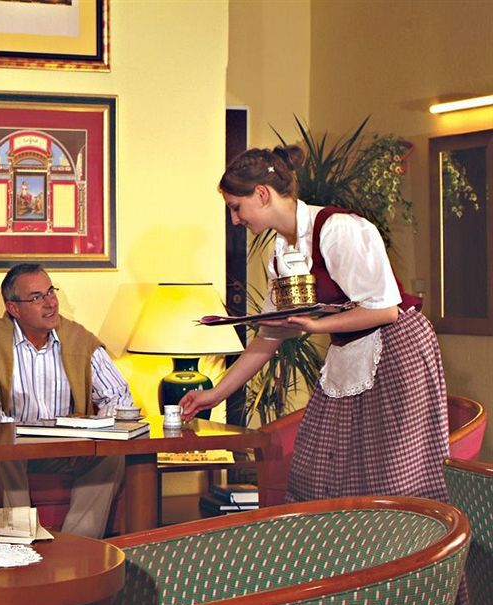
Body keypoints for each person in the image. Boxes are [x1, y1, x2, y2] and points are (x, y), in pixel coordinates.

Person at [181, 145, 449, 503]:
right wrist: (215, 394)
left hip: (398, 351)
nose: (234, 219)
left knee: (392, 474)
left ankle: (407, 539)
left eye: (236, 207)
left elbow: (385, 311)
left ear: (262, 194)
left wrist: (316, 326)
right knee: (315, 469)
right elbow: (269, 335)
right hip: (350, 347)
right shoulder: (282, 252)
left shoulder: (339, 229)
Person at [0, 263, 133, 538]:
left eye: (50, 292)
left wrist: (94, 431)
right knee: (2, 448)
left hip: (70, 447)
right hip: (17, 449)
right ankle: (21, 542)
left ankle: (78, 544)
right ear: (13, 308)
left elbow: (120, 397)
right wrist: (21, 437)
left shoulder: (79, 339)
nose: (50, 303)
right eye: (36, 297)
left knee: (112, 455)